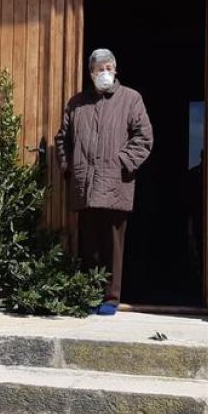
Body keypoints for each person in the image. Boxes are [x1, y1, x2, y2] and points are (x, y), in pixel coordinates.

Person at [55, 49, 153, 315]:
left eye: (109, 67)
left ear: (116, 70)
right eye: (99, 69)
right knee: (89, 246)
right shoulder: (76, 103)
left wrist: (121, 163)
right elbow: (63, 139)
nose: (104, 73)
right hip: (84, 185)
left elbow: (144, 137)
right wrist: (68, 166)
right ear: (91, 73)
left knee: (112, 245)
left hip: (114, 184)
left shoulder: (131, 99)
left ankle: (110, 298)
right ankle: (89, 294)